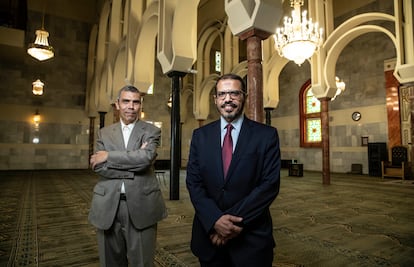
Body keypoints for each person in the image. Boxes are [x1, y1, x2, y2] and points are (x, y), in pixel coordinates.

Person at [186, 73, 281, 266]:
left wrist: (228, 224)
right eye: (222, 94)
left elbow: (269, 185)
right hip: (209, 236)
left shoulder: (266, 135)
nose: (227, 99)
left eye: (234, 93)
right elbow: (194, 183)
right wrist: (214, 220)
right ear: (215, 100)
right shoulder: (200, 136)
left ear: (244, 96)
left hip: (251, 239)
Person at [88, 85, 167, 267]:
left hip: (142, 205)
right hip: (107, 205)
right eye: (126, 101)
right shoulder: (104, 133)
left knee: (142, 262)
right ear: (117, 104)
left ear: (141, 105)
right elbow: (98, 168)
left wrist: (108, 156)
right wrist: (134, 161)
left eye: (135, 102)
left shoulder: (151, 131)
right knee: (110, 262)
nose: (131, 106)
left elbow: (145, 159)